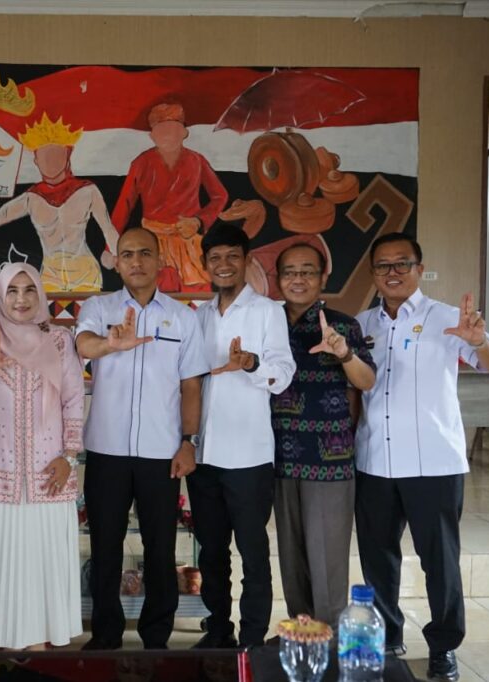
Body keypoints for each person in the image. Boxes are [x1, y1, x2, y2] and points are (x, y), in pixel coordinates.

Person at [354, 233, 489, 681]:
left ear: (419, 269)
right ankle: (388, 636)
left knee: (439, 561)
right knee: (378, 558)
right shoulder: (361, 325)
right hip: (375, 461)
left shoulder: (447, 318)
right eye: (383, 265)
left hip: (433, 463)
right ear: (373, 273)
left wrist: (479, 343)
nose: (393, 272)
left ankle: (443, 646)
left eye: (402, 263)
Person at [75, 226, 209, 650]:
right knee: (105, 546)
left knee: (160, 547)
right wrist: (111, 344)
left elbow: (191, 385)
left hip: (161, 452)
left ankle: (156, 638)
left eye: (145, 253)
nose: (136, 261)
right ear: (116, 262)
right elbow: (84, 346)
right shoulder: (98, 308)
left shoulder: (183, 317)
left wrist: (188, 441)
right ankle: (106, 635)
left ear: (160, 260)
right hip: (106, 450)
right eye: (128, 254)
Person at [0, 263, 85, 650]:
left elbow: (73, 399)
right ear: (0, 295)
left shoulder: (60, 340)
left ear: (40, 295)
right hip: (2, 474)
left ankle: (39, 647)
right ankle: (3, 647)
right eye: (12, 291)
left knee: (43, 561)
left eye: (29, 289)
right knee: (5, 562)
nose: (21, 299)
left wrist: (69, 457)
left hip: (51, 472)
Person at [190, 223, 295, 649]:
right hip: (203, 455)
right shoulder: (198, 315)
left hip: (249, 456)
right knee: (211, 551)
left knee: (252, 552)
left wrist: (250, 363)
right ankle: (218, 631)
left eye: (232, 256)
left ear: (247, 261)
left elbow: (283, 374)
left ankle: (252, 639)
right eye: (215, 258)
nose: (224, 265)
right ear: (205, 264)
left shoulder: (268, 311)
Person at [270, 244, 376, 628]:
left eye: (308, 271)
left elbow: (366, 381)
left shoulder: (343, 325)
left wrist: (344, 353)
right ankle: (303, 638)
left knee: (327, 558)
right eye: (289, 272)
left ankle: (329, 640)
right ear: (278, 278)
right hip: (279, 457)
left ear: (323, 277)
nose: (298, 279)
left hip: (329, 460)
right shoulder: (267, 323)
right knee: (292, 556)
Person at [0, 112, 119, 292]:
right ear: (36, 160)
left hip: (85, 272)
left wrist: (119, 256)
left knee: (89, 310)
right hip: (50, 274)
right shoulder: (32, 197)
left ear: (68, 154)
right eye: (44, 155)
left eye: (56, 154)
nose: (50, 161)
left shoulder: (87, 190)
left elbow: (108, 229)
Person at [111, 102, 228, 292]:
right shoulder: (141, 163)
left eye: (172, 130)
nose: (167, 136)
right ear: (152, 136)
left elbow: (220, 196)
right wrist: (110, 248)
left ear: (184, 133)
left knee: (197, 297)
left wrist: (198, 222)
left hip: (189, 243)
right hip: (152, 244)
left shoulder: (197, 160)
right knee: (154, 298)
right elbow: (124, 205)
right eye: (162, 131)